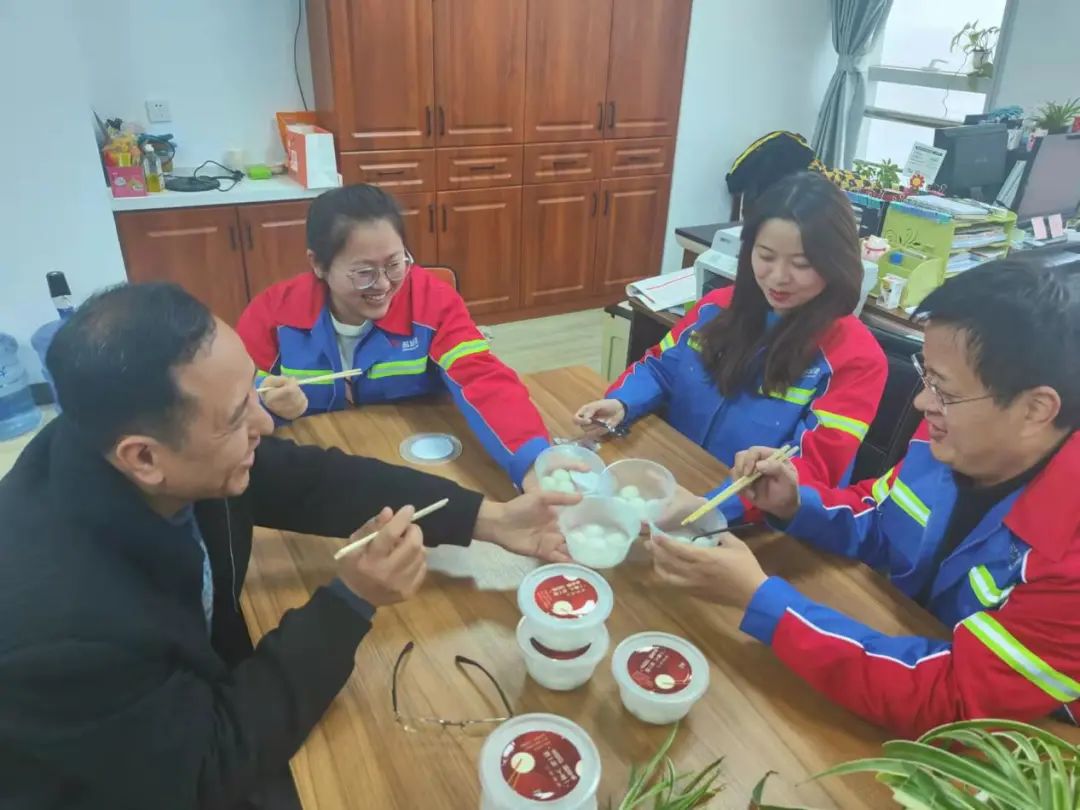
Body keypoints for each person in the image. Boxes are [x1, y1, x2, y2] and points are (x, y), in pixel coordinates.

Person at [0, 283, 578, 809]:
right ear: (145, 457)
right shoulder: (63, 631)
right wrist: (351, 601)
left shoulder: (134, 440)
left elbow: (312, 480)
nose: (264, 423)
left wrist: (488, 518)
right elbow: (206, 769)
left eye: (254, 391)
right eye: (236, 417)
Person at [647, 259, 1080, 737]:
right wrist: (794, 503)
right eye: (926, 377)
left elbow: (955, 697)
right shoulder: (954, 439)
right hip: (900, 648)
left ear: (1036, 409)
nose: (921, 403)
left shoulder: (1068, 551)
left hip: (1005, 743)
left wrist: (758, 598)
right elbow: (879, 517)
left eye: (945, 391)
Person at [576, 172, 886, 521]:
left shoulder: (855, 358)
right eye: (765, 255)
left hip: (756, 520)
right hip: (676, 479)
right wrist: (623, 402)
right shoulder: (717, 307)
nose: (778, 277)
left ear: (835, 263)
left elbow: (808, 470)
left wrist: (710, 508)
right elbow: (661, 369)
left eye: (802, 264)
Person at [237, 184, 550, 491]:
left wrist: (534, 463)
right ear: (318, 264)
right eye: (364, 272)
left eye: (394, 264)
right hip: (317, 472)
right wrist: (267, 405)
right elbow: (230, 402)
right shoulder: (273, 314)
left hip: (415, 465)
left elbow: (483, 379)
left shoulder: (433, 303)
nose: (384, 284)